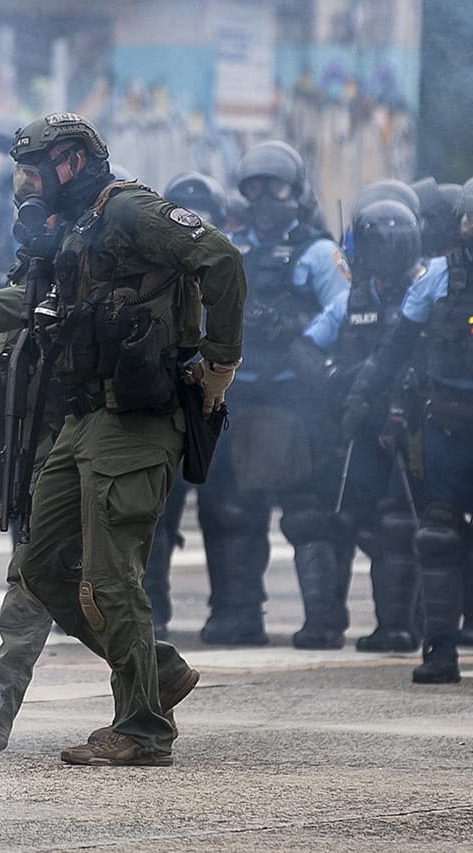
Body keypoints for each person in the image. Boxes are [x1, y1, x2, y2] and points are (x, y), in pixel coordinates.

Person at [0, 112, 244, 766]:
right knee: (40, 566)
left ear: (73, 161)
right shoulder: (76, 229)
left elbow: (221, 259)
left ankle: (143, 729)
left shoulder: (129, 212)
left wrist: (218, 362)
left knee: (110, 578)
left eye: (36, 171)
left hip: (137, 419)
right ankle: (156, 670)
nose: (28, 185)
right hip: (84, 418)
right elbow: (32, 306)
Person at [197, 140, 350, 648]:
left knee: (307, 516)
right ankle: (242, 616)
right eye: (254, 189)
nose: (264, 200)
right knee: (236, 513)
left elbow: (345, 312)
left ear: (296, 192)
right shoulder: (230, 249)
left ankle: (323, 621)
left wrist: (293, 328)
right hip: (240, 397)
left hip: (297, 400)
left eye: (275, 189)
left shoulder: (318, 252)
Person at [341, 176, 473, 683]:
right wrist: (360, 399)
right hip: (447, 428)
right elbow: (393, 349)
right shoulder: (438, 276)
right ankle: (440, 651)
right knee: (436, 534)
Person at [143, 170, 230, 639]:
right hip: (170, 402)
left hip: (221, 404)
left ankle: (234, 613)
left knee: (228, 513)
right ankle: (150, 613)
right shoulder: (156, 269)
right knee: (152, 511)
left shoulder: (230, 262)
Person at [335, 199, 424, 653]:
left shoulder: (428, 288)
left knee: (408, 525)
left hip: (419, 424)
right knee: (370, 523)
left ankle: (406, 625)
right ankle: (400, 623)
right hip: (367, 425)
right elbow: (317, 345)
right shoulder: (354, 295)